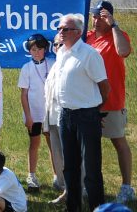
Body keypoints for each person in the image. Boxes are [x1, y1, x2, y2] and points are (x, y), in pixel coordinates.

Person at [54, 13, 109, 211]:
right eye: (59, 28)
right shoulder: (61, 52)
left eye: (65, 29)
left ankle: (98, 207)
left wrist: (95, 110)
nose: (60, 32)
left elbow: (104, 86)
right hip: (65, 115)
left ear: (78, 32)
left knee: (91, 168)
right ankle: (73, 207)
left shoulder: (90, 54)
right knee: (70, 167)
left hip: (86, 115)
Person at [86, 0, 134, 203]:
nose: (96, 20)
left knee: (118, 142)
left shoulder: (118, 36)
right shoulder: (86, 37)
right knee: (88, 146)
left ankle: (126, 187)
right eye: (94, 16)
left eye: (101, 16)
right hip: (88, 101)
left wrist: (114, 25)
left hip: (111, 101)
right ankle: (90, 186)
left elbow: (123, 51)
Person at [17, 33, 54, 190]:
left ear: (45, 49)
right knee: (34, 144)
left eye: (39, 49)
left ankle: (58, 175)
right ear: (29, 51)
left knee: (53, 144)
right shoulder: (27, 68)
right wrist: (28, 117)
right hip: (34, 115)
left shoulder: (52, 64)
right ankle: (31, 176)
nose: (37, 52)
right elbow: (24, 95)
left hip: (50, 113)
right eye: (33, 49)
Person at [44, 35, 66, 202]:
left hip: (68, 118)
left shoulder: (74, 63)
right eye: (56, 44)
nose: (58, 47)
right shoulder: (55, 64)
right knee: (57, 154)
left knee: (71, 156)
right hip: (52, 116)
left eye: (61, 44)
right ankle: (65, 187)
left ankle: (79, 189)